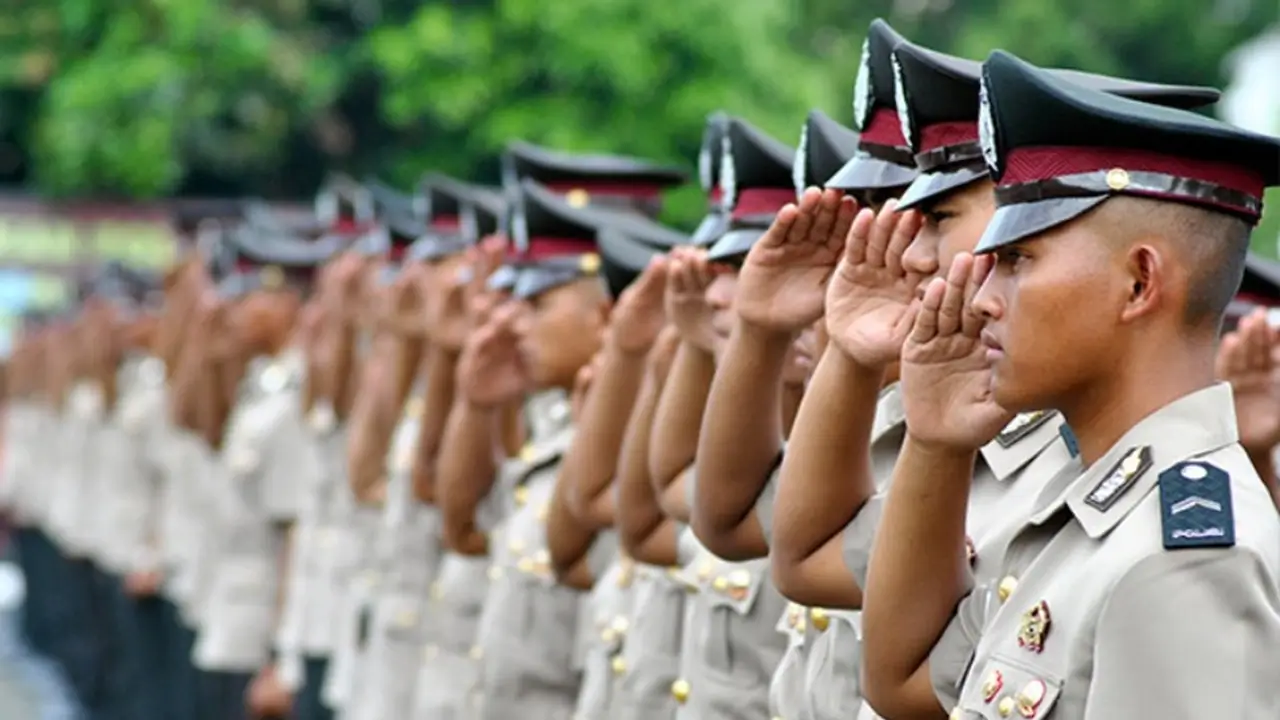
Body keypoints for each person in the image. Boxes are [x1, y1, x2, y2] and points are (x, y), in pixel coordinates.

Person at [861, 49, 1280, 719]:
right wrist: (936, 443)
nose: (985, 299)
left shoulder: (1185, 558)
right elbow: (900, 683)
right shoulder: (1081, 514)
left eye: (1017, 260)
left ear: (1140, 283)